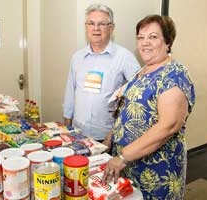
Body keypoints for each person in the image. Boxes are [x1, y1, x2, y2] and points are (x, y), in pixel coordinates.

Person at [101, 14, 196, 200]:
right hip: (129, 166)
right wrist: (110, 138)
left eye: (153, 37)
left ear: (168, 42)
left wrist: (122, 157)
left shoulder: (174, 75)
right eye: (141, 37)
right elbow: (126, 107)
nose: (145, 43)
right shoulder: (142, 71)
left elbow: (168, 126)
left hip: (156, 171)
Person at [62, 3, 140, 141]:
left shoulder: (125, 57)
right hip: (77, 132)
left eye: (102, 24)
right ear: (86, 27)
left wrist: (114, 133)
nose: (96, 28)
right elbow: (70, 92)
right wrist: (67, 124)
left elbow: (138, 96)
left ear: (111, 28)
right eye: (91, 23)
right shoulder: (77, 57)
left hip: (107, 136)